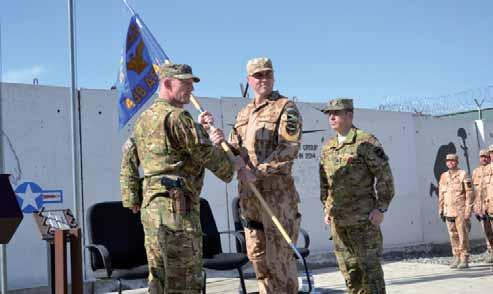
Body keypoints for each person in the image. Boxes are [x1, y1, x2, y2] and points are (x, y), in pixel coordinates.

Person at [120, 63, 242, 293]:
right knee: (185, 278)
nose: (190, 90)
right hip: (178, 210)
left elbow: (128, 156)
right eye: (185, 84)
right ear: (167, 83)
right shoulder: (178, 117)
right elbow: (208, 157)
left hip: (152, 207)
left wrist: (132, 198)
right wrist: (232, 163)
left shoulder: (143, 119)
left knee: (159, 276)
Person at [227, 57, 302, 293]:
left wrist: (257, 172)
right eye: (258, 76)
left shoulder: (286, 107)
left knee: (279, 260)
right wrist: (218, 139)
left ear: (274, 77)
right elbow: (234, 150)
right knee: (257, 257)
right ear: (249, 80)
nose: (263, 79)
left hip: (277, 198)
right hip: (249, 199)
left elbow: (289, 148)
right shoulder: (243, 114)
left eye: (267, 74)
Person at [319, 98, 394, 294]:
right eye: (329, 114)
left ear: (349, 115)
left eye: (337, 113)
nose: (332, 117)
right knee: (350, 275)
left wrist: (381, 207)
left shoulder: (366, 141)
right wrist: (327, 209)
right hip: (339, 223)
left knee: (371, 275)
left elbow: (384, 176)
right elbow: (325, 183)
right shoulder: (328, 147)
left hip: (363, 222)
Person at [439, 153, 474, 269]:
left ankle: (464, 257)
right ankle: (456, 256)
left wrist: (468, 209)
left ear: (457, 162)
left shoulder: (463, 174)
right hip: (448, 210)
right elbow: (441, 194)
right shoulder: (444, 176)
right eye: (448, 161)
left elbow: (470, 193)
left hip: (460, 210)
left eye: (452, 160)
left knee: (462, 234)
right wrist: (441, 208)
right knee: (452, 234)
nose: (450, 162)